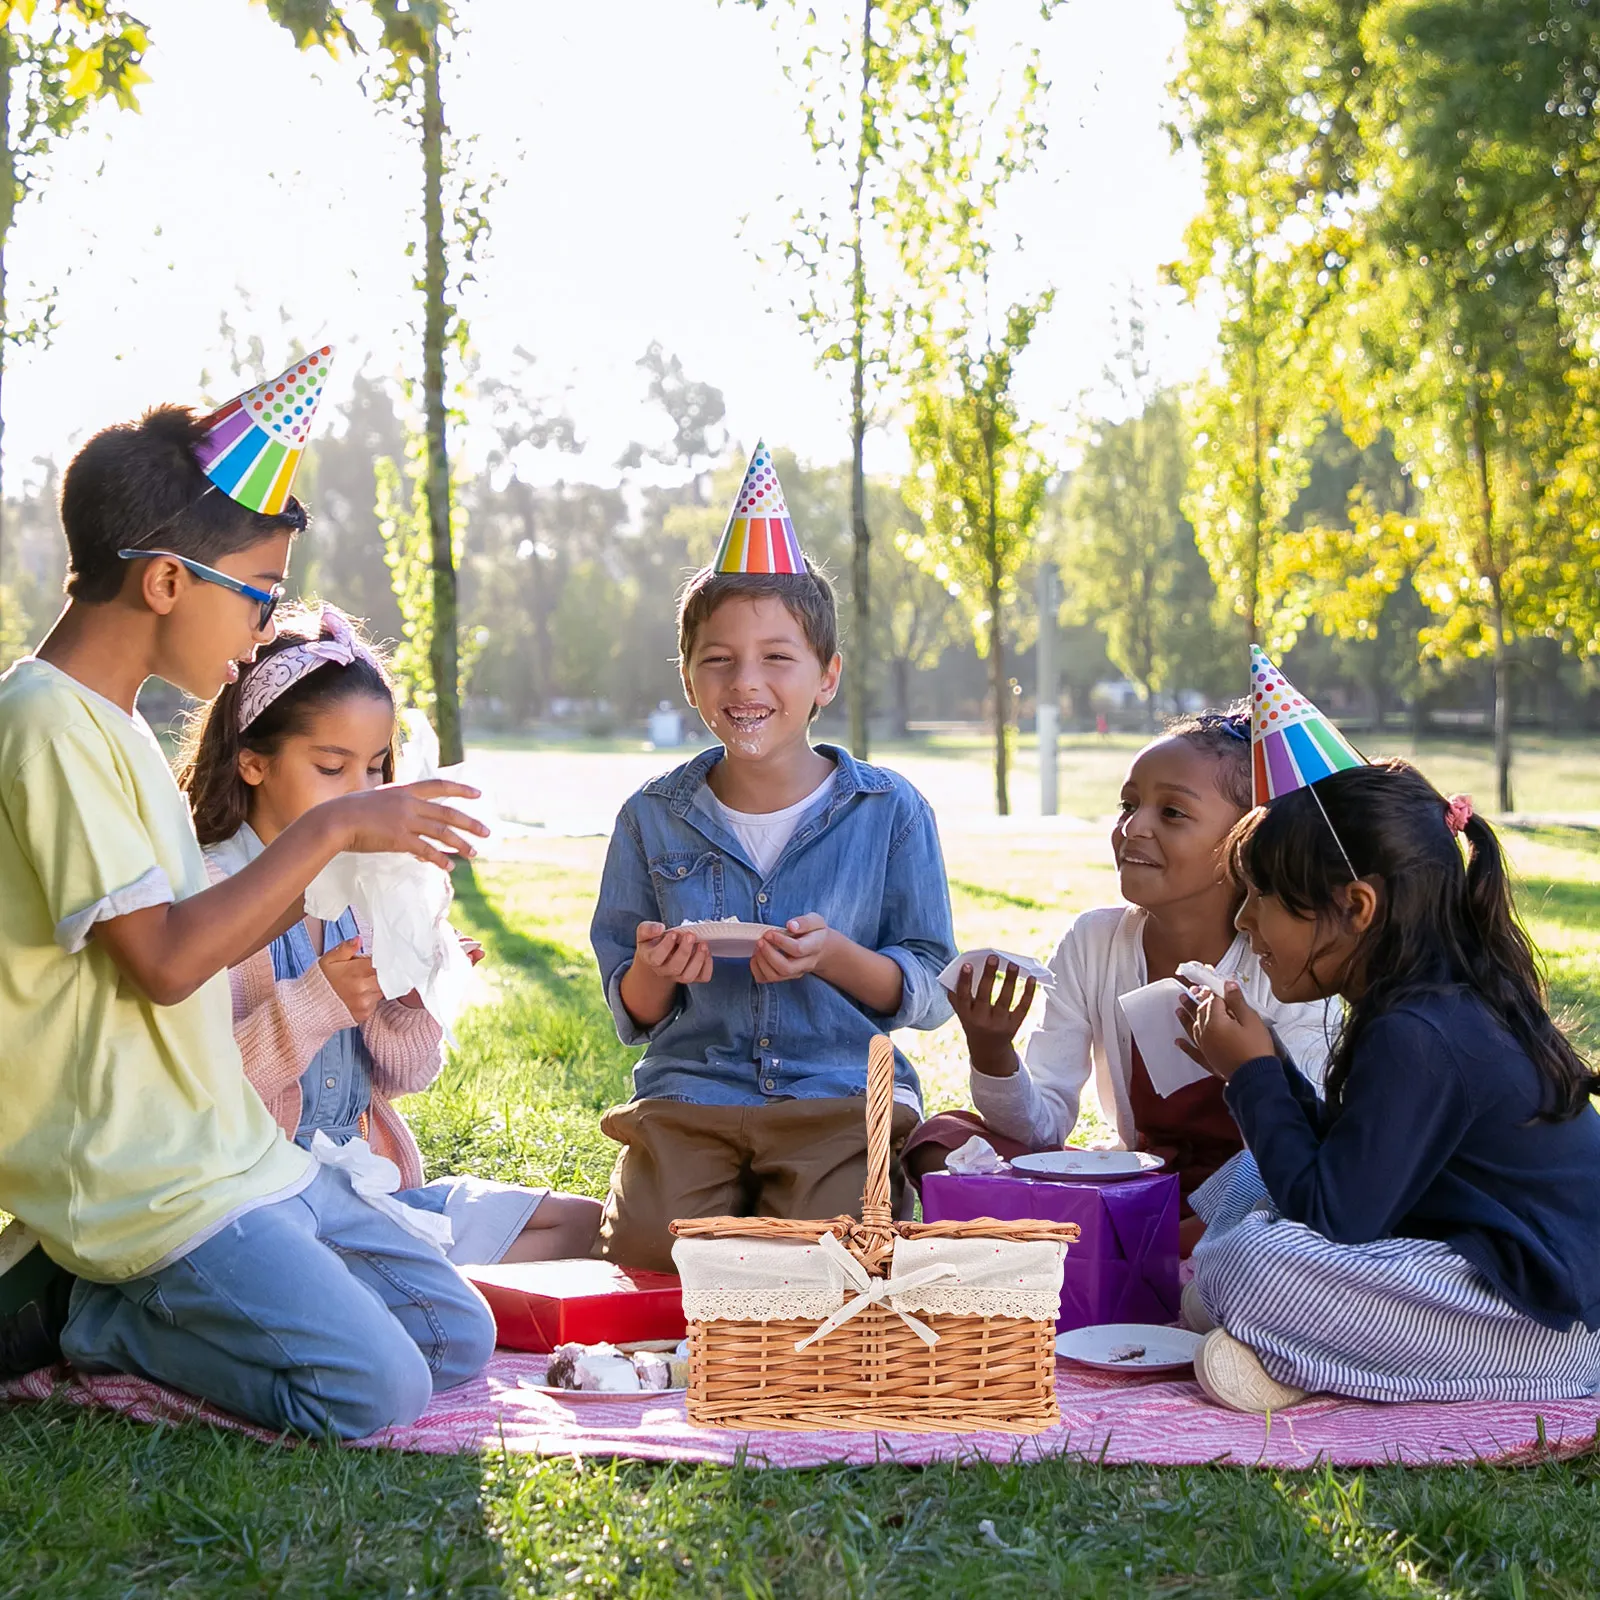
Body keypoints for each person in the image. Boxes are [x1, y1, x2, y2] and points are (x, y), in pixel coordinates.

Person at [0, 386, 498, 1438]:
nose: (266, 626)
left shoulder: (122, 726)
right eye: (258, 594)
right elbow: (165, 962)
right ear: (168, 579)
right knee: (377, 1391)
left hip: (233, 1147)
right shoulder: (44, 725)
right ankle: (93, 1313)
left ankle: (144, 1303)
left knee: (455, 1336)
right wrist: (333, 827)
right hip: (143, 1180)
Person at [589, 445, 956, 1272]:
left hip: (837, 1094)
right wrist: (659, 971)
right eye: (718, 659)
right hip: (695, 1093)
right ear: (688, 678)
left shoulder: (889, 811)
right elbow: (630, 1007)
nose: (745, 681)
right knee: (653, 1264)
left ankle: (842, 1198)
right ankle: (685, 1197)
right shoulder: (653, 818)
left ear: (827, 676)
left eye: (777, 658)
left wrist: (834, 959)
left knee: (830, 1269)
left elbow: (928, 986)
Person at [179, 605, 602, 1264]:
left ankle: (400, 1274)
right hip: (263, 1207)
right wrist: (314, 1004)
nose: (363, 795)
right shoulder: (213, 890)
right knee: (424, 1293)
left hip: (370, 1191)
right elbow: (201, 1099)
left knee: (590, 1227)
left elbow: (403, 1078)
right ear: (254, 763)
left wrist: (412, 1002)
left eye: (375, 768)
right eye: (332, 767)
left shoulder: (368, 889)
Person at [1181, 760, 1600, 1413]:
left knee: (1251, 1267)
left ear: (1356, 906)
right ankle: (1302, 1348)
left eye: (1261, 893)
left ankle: (1301, 1353)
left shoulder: (1422, 1033)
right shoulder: (1422, 1006)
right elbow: (1356, 1174)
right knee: (1249, 1180)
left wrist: (1252, 1073)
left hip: (1548, 1326)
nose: (1243, 921)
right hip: (1479, 1272)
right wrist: (1267, 1064)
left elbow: (1336, 1216)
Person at [901, 708, 1337, 1252]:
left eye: (1172, 813)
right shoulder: (1094, 943)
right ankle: (1123, 1242)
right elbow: (1044, 1130)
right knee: (940, 1141)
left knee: (1277, 1226)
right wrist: (993, 1054)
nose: (1134, 827)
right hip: (1136, 1187)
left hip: (1251, 1196)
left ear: (1248, 839)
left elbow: (1306, 1148)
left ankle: (1105, 1244)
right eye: (1128, 806)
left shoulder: (1284, 964)